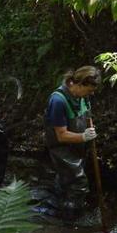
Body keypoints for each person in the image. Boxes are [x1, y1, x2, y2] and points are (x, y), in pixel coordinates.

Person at [43, 66, 101, 217]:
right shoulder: (58, 101)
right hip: (61, 148)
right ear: (79, 84)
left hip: (77, 146)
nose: (91, 93)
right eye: (89, 90)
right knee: (78, 183)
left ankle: (56, 206)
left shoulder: (83, 97)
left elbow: (87, 117)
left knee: (66, 179)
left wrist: (89, 132)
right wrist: (83, 137)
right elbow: (61, 135)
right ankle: (71, 218)